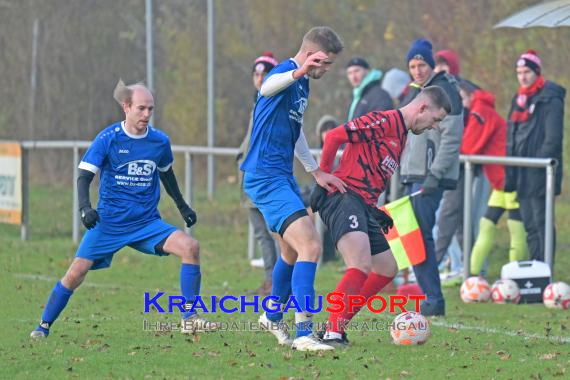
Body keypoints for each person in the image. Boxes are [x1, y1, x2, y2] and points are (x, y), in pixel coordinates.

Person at [30, 81, 217, 339]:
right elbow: (84, 176)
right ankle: (43, 326)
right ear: (126, 107)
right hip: (109, 223)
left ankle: (190, 317)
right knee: (75, 273)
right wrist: (86, 208)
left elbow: (167, 176)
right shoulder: (108, 139)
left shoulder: (159, 142)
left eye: (150, 109)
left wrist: (183, 206)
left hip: (146, 223)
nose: (146, 115)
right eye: (141, 108)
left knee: (190, 247)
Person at [311, 86, 451, 347]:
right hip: (343, 196)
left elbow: (370, 172)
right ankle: (332, 333)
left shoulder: (402, 136)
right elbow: (333, 136)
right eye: (435, 119)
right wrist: (322, 178)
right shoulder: (384, 121)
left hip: (362, 203)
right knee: (359, 263)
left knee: (387, 268)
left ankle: (334, 327)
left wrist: (374, 209)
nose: (434, 126)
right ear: (422, 108)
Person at [240, 26, 346, 351]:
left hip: (280, 176)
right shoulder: (285, 73)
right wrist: (298, 68)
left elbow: (295, 131)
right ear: (311, 54)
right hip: (264, 176)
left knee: (291, 250)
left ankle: (272, 316)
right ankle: (303, 334)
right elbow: (268, 88)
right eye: (324, 63)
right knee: (311, 245)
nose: (326, 70)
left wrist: (315, 172)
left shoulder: (301, 83)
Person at [399, 38, 464, 316]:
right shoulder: (417, 91)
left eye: (421, 64)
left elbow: (451, 140)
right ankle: (430, 297)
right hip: (414, 174)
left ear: (432, 64)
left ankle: (434, 300)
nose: (417, 70)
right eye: (412, 66)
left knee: (420, 236)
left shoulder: (446, 91)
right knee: (410, 236)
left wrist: (434, 175)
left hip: (429, 177)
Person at [458, 81, 528, 275]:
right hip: (500, 183)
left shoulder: (481, 111)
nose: (460, 103)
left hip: (511, 180)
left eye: (462, 98)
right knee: (486, 225)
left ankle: (517, 276)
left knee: (516, 229)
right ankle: (471, 276)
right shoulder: (479, 110)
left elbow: (469, 147)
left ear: (472, 95)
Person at [505, 49, 565, 264]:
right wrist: (511, 168)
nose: (522, 76)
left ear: (537, 72)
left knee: (542, 223)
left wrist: (537, 164)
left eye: (527, 71)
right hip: (520, 171)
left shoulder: (550, 98)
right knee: (529, 223)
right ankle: (535, 267)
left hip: (540, 172)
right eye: (519, 72)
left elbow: (553, 139)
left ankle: (545, 268)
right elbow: (511, 135)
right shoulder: (518, 98)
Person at [237, 52, 280, 296]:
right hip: (250, 177)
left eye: (265, 73)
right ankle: (271, 279)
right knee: (263, 233)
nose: (259, 78)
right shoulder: (258, 101)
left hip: (264, 177)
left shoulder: (273, 101)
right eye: (256, 74)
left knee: (274, 233)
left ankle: (278, 281)